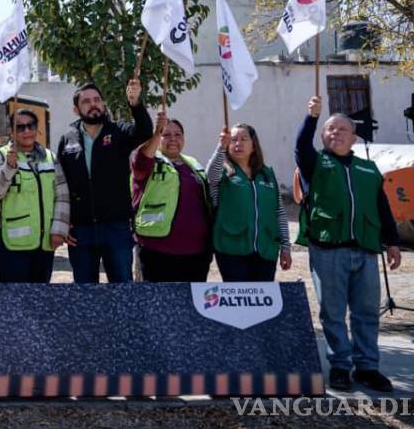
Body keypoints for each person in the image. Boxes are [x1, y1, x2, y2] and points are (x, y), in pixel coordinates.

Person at [296, 95, 401, 392]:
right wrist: (312, 117)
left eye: (343, 129)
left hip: (365, 250)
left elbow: (382, 208)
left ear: (354, 138)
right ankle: (340, 366)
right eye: (330, 129)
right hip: (328, 250)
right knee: (333, 313)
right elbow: (301, 146)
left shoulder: (369, 169)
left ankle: (367, 367)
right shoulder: (315, 163)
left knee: (366, 312)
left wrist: (393, 243)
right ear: (323, 136)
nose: (336, 133)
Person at [56, 80, 152, 283]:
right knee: (85, 293)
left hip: (116, 228)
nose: (93, 104)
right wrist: (64, 223)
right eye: (86, 101)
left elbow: (144, 132)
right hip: (80, 231)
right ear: (76, 110)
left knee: (121, 289)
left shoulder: (119, 131)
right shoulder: (67, 140)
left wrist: (135, 103)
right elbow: (61, 185)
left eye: (97, 100)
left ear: (103, 103)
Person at [0, 108, 71, 283]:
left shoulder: (50, 157)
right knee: (14, 296)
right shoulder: (0, 156)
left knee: (40, 295)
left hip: (44, 243)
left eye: (30, 126)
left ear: (37, 128)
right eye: (20, 127)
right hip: (11, 244)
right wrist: (8, 168)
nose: (26, 131)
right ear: (12, 131)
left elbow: (62, 196)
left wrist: (59, 230)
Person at [129, 111, 213, 282]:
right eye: (166, 135)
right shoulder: (149, 160)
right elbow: (141, 161)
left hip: (196, 252)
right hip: (158, 250)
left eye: (178, 134)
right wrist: (156, 132)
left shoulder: (193, 163)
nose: (173, 139)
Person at [207, 123, 291, 281]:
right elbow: (210, 177)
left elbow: (279, 212)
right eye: (233, 140)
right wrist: (221, 147)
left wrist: (285, 246)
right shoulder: (223, 173)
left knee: (262, 295)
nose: (238, 143)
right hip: (231, 249)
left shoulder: (267, 173)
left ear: (253, 145)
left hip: (265, 249)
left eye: (243, 139)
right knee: (239, 295)